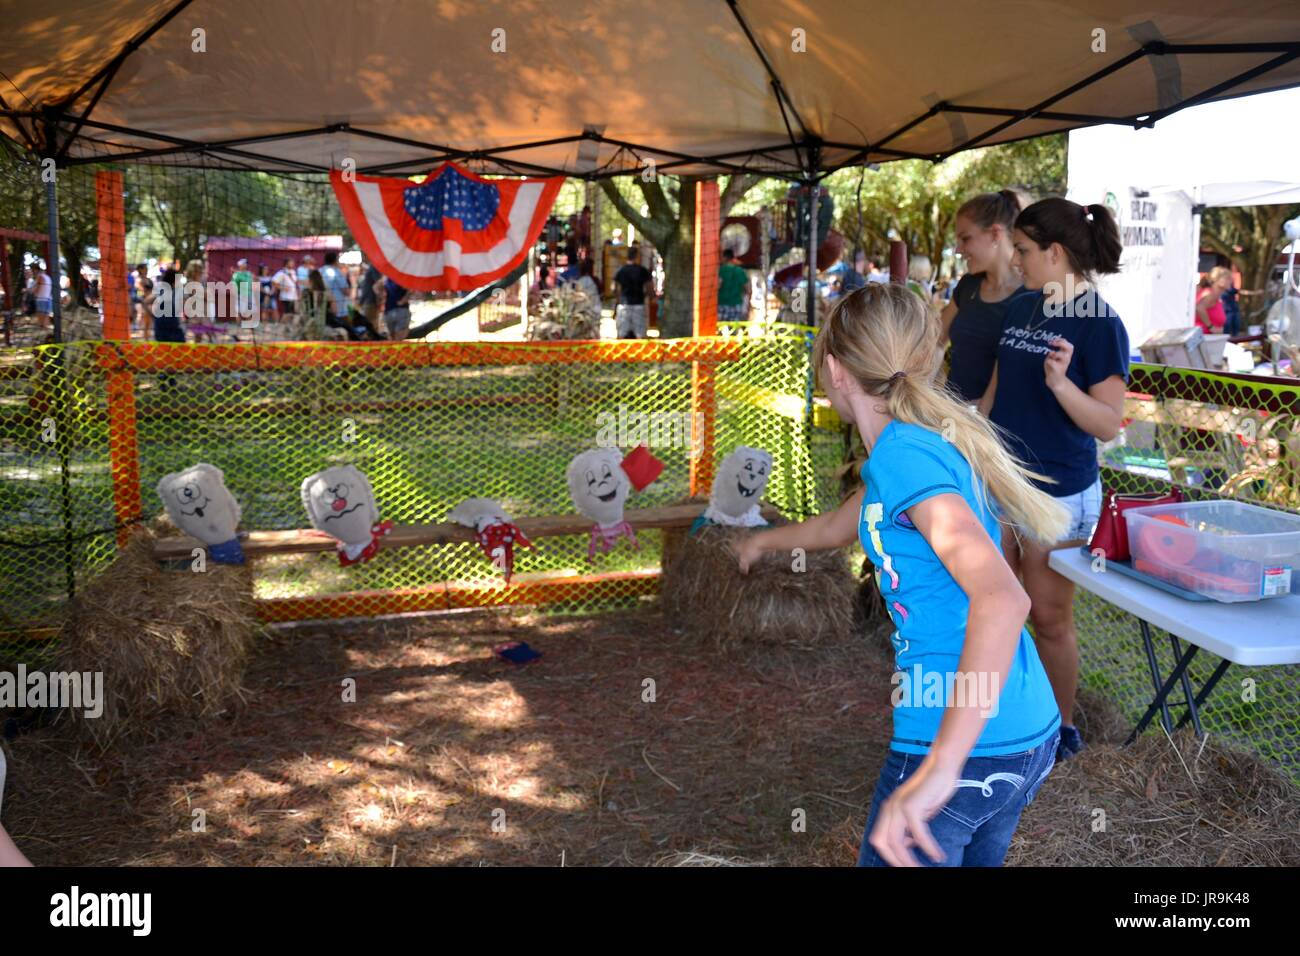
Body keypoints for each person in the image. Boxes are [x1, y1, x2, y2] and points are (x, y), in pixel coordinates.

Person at [737, 282, 1065, 867]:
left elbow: (1002, 598)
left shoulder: (904, 457)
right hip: (1020, 732)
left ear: (836, 371)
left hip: (964, 744)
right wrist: (763, 541)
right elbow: (841, 525)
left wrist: (942, 765)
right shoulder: (911, 451)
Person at [978, 197, 1128, 763]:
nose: (1015, 261)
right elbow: (997, 390)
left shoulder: (1100, 323)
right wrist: (970, 435)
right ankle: (1010, 717)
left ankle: (1060, 731)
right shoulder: (1023, 307)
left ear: (1055, 252)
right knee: (997, 603)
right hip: (1001, 481)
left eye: (1022, 250)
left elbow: (1109, 424)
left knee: (1048, 615)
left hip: (1056, 492)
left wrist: (1063, 386)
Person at [939, 191, 1027, 403]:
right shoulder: (968, 285)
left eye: (965, 238)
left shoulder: (1033, 296)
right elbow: (935, 340)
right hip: (956, 419)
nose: (959, 250)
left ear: (995, 234)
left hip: (998, 427)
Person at [613, 247, 654, 339]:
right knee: (640, 336)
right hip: (638, 305)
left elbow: (614, 289)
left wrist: (617, 303)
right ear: (637, 256)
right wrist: (648, 296)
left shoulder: (620, 271)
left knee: (621, 335)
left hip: (624, 306)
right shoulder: (642, 271)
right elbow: (649, 288)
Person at [152, 266, 187, 342]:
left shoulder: (160, 289)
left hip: (160, 328)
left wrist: (153, 316)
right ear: (174, 281)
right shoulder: (178, 292)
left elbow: (146, 302)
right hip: (172, 329)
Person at [717, 248, 750, 323]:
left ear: (725, 257)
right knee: (734, 329)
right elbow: (748, 289)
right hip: (736, 304)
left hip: (722, 304)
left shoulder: (721, 270)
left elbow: (718, 285)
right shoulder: (740, 271)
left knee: (721, 328)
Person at [1195, 266, 1231, 333]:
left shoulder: (1214, 295)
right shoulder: (1210, 294)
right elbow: (1199, 308)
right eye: (1227, 278)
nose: (1230, 281)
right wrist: (1211, 327)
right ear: (1218, 280)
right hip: (1204, 337)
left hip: (1206, 337)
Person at [382, 276, 411, 340]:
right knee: (391, 336)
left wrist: (403, 300)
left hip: (401, 310)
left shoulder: (403, 276)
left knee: (399, 335)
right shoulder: (387, 279)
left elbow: (411, 289)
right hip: (389, 310)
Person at [30, 262, 52, 330]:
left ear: (35, 270)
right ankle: (46, 332)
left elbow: (36, 289)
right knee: (46, 316)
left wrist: (32, 292)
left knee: (41, 317)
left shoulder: (40, 277)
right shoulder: (47, 276)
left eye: (32, 270)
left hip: (41, 299)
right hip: (47, 299)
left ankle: (43, 332)